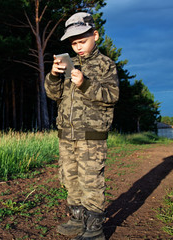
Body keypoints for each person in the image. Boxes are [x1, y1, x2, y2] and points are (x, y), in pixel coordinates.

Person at [44, 12, 119, 240]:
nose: (78, 47)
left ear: (95, 35)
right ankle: (78, 221)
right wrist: (54, 76)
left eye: (82, 41)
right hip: (66, 135)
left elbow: (112, 96)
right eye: (74, 43)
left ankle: (94, 229)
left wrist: (85, 84)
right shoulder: (69, 64)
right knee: (70, 178)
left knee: (91, 181)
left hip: (92, 136)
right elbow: (53, 94)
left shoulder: (106, 64)